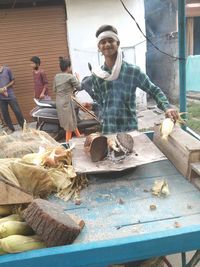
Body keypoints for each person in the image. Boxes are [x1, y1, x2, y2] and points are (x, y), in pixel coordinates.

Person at [83, 25, 178, 134]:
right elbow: (101, 103)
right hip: (109, 130)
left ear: (117, 44)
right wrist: (92, 105)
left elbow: (154, 90)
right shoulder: (97, 75)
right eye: (103, 42)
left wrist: (167, 107)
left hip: (129, 130)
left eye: (110, 41)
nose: (107, 44)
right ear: (99, 48)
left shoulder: (133, 71)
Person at [53, 57, 81, 142]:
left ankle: (79, 135)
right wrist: (78, 78)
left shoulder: (56, 77)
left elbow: (54, 90)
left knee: (71, 120)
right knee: (69, 123)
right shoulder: (70, 77)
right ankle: (67, 142)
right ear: (68, 67)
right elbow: (79, 87)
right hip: (67, 102)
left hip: (59, 101)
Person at [0, 64, 25, 133]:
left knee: (17, 111)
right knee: (5, 113)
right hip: (1, 97)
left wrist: (6, 87)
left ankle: (23, 126)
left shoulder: (7, 69)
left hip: (10, 95)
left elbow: (13, 81)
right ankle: (11, 128)